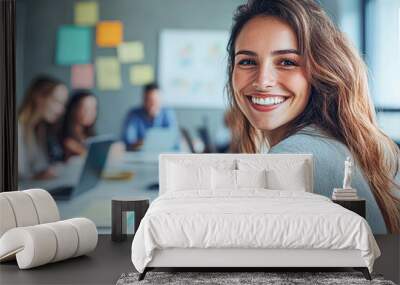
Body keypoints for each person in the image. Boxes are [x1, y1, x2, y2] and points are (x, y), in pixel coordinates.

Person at [226, 0, 400, 233]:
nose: (262, 81)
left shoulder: (293, 159)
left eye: (287, 62)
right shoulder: (329, 143)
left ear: (319, 72)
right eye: (247, 62)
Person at [18, 76, 68, 180]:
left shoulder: (38, 128)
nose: (61, 110)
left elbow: (41, 166)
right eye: (57, 102)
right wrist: (35, 177)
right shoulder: (16, 128)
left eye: (63, 104)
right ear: (39, 97)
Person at [121, 82, 179, 151]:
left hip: (164, 153)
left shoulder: (168, 112)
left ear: (161, 100)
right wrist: (147, 143)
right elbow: (128, 140)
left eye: (155, 101)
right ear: (143, 99)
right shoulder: (134, 114)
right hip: (139, 155)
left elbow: (174, 139)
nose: (152, 104)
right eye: (149, 100)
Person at [60, 90, 97, 160]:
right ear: (73, 109)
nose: (91, 113)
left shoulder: (89, 136)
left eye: (94, 108)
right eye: (86, 109)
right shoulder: (66, 140)